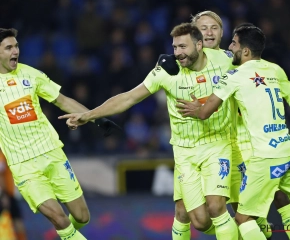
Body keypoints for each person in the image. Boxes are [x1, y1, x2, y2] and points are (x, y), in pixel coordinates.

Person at [59, 23, 240, 240]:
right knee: (200, 221)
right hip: (185, 152)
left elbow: (255, 68)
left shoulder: (224, 60)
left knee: (216, 207)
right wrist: (88, 115)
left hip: (217, 144)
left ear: (199, 45)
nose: (178, 53)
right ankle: (241, 232)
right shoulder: (165, 71)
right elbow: (128, 97)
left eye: (183, 47)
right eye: (174, 47)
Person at [176, 25, 290, 240]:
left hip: (264, 156)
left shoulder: (234, 76)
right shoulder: (275, 69)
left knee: (243, 218)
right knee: (287, 203)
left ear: (245, 51)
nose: (230, 47)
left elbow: (206, 112)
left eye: (233, 43)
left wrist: (197, 109)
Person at [0, 28, 120, 240]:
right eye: (9, 47)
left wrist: (96, 118)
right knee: (60, 219)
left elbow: (63, 100)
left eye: (16, 46)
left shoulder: (31, 74)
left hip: (52, 153)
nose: (15, 51)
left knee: (81, 217)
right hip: (24, 165)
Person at [0, 150, 27, 240]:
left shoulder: (3, 152)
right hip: (4, 194)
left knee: (17, 221)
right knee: (14, 221)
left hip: (8, 193)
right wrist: (4, 195)